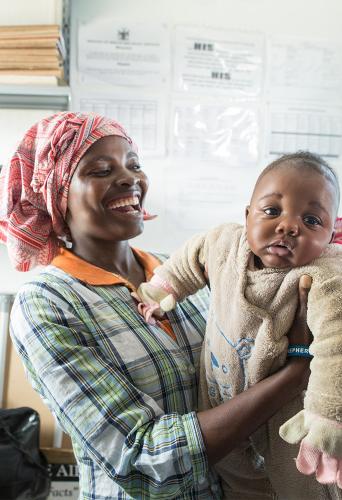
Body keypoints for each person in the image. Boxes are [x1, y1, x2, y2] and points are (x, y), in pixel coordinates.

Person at [0, 112, 315, 499]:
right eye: (100, 170)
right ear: (56, 194)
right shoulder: (47, 304)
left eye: (134, 165)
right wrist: (295, 371)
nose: (130, 178)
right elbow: (144, 461)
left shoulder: (183, 273)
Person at [136, 151, 342, 499]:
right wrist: (163, 289)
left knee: (302, 486)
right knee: (239, 483)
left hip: (288, 420)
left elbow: (336, 346)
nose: (289, 226)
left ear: (330, 234)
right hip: (222, 408)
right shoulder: (224, 244)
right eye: (272, 210)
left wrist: (325, 417)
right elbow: (191, 258)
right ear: (247, 215)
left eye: (311, 220)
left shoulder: (324, 277)